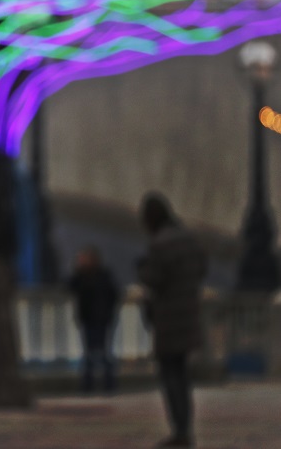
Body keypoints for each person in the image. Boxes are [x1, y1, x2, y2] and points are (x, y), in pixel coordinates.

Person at [137, 192, 207, 449]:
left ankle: (179, 431)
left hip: (167, 318)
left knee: (170, 377)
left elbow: (153, 278)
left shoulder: (159, 244)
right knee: (183, 376)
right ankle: (185, 427)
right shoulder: (189, 240)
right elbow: (201, 269)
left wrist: (141, 269)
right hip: (188, 315)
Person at [67, 246, 119, 393]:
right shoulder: (85, 277)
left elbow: (112, 294)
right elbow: (70, 285)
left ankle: (103, 384)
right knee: (93, 353)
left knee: (100, 353)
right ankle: (93, 384)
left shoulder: (101, 277)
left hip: (99, 318)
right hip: (91, 318)